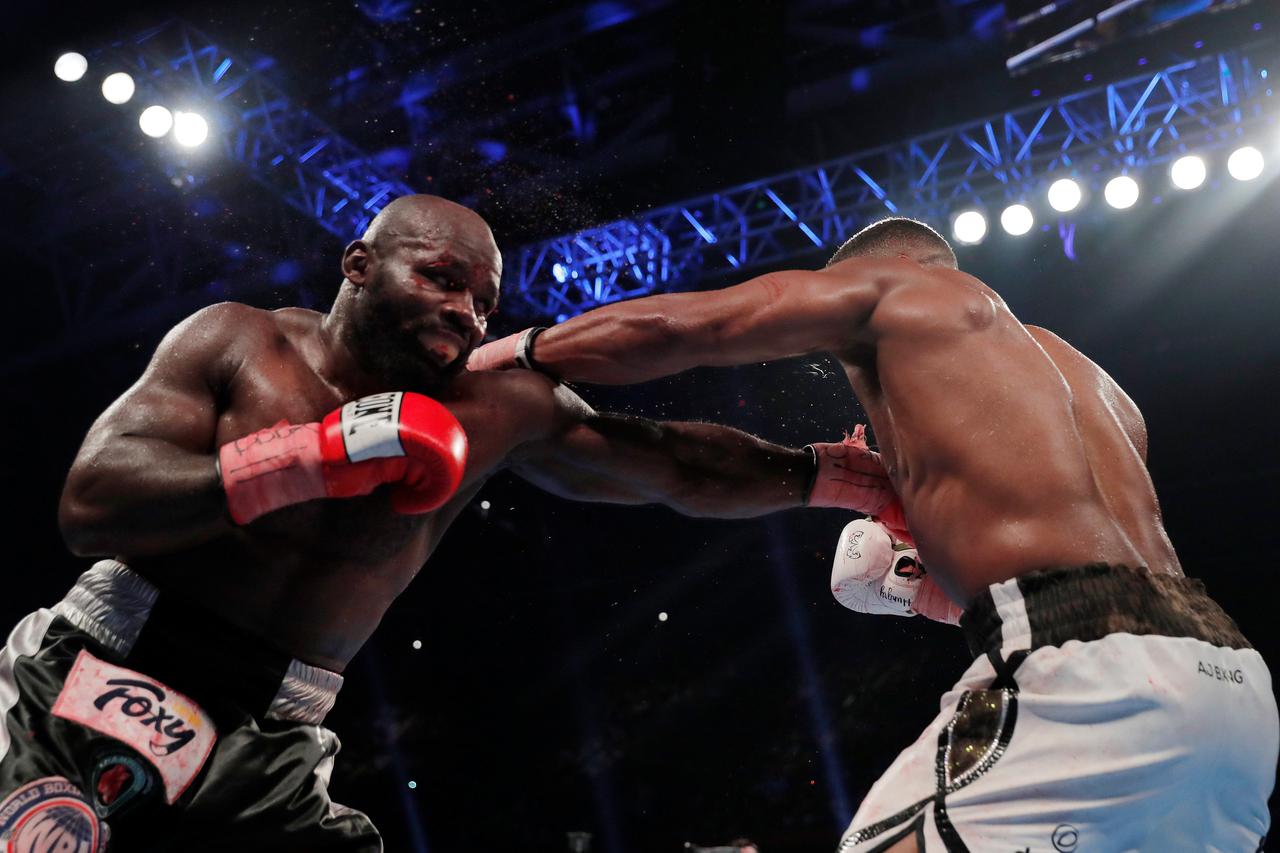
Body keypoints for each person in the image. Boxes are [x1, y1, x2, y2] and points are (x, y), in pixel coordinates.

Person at [0, 195, 904, 851]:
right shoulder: (238, 340)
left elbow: (666, 459)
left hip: (273, 732)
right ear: (358, 265)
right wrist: (304, 456)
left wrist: (823, 476)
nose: (464, 313)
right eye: (441, 277)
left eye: (483, 302)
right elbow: (92, 502)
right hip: (106, 662)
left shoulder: (492, 408)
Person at [469, 216, 1279, 851]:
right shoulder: (1094, 383)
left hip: (1091, 677)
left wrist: (511, 353)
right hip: (1231, 685)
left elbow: (691, 327)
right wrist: (923, 572)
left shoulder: (896, 292)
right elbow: (1081, 577)